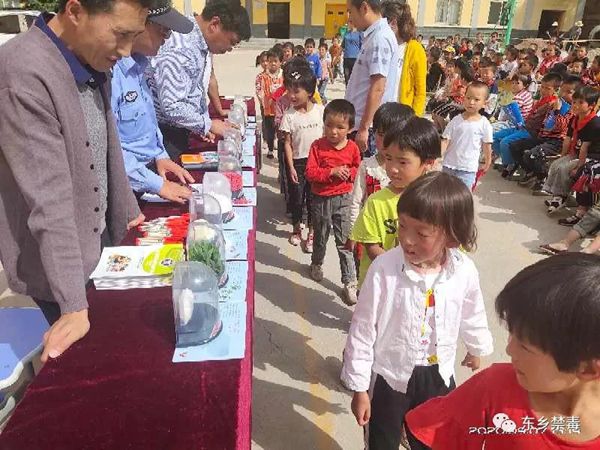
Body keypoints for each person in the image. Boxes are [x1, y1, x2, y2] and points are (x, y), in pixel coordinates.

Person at [0, 0, 149, 362]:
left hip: (98, 242)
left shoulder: (90, 57)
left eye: (134, 36)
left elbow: (108, 141)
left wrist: (127, 211)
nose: (126, 51)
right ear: (76, 11)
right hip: (59, 265)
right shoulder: (23, 72)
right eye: (121, 34)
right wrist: (72, 304)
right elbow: (48, 198)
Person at [343, 171, 494, 450]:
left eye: (421, 233)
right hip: (389, 375)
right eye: (402, 226)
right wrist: (360, 388)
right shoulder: (384, 270)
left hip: (439, 375)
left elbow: (472, 311)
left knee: (433, 440)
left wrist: (476, 347)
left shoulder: (463, 271)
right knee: (381, 441)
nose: (407, 239)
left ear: (452, 237)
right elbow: (362, 330)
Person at [111, 2, 195, 205]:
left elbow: (147, 122)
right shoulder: (111, 72)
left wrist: (160, 155)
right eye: (163, 31)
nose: (166, 39)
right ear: (139, 23)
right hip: (126, 186)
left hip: (146, 175)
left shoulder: (140, 65)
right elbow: (109, 146)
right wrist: (157, 184)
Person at [147, 0, 251, 159]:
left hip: (179, 129)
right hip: (164, 135)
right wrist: (208, 124)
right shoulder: (181, 47)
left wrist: (201, 124)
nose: (230, 49)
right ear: (214, 24)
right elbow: (172, 106)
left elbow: (194, 88)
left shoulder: (196, 39)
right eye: (231, 42)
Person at [350, 117, 440, 288]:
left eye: (403, 162)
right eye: (389, 158)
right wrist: (406, 269)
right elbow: (372, 247)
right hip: (380, 285)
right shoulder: (376, 202)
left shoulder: (437, 203)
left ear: (428, 162)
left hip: (419, 286)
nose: (392, 168)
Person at [348, 103, 414, 282]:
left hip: (399, 236)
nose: (385, 141)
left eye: (393, 136)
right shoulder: (367, 167)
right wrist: (353, 232)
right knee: (372, 277)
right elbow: (356, 201)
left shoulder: (412, 172)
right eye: (381, 134)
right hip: (371, 234)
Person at [305, 100, 361, 304]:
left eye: (340, 127)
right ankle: (316, 263)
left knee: (344, 241)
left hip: (343, 199)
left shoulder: (353, 148)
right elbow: (310, 173)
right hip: (321, 199)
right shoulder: (317, 146)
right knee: (320, 236)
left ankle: (349, 281)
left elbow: (358, 169)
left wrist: (349, 174)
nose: (333, 131)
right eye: (329, 125)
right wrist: (331, 172)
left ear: (350, 128)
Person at [346, 0, 400, 156]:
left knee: (366, 170)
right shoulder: (373, 36)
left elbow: (378, 87)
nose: (349, 18)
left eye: (351, 11)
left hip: (368, 128)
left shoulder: (380, 39)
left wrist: (364, 128)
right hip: (361, 123)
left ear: (364, 7)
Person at [537, 85, 600, 216]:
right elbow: (568, 139)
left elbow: (585, 148)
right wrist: (563, 155)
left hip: (589, 157)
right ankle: (556, 195)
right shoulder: (575, 118)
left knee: (564, 169)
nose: (575, 105)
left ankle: (562, 197)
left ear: (591, 105)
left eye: (580, 103)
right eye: (574, 102)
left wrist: (579, 167)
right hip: (575, 152)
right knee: (556, 165)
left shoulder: (593, 123)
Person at [281, 65, 324, 252]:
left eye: (296, 91)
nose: (292, 95)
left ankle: (312, 233)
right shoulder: (289, 116)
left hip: (316, 163)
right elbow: (287, 144)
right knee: (297, 198)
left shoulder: (321, 111)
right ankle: (297, 229)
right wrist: (290, 167)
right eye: (289, 90)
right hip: (297, 163)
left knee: (313, 201)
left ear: (310, 91)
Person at [492, 73, 563, 173]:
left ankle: (511, 164)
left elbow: (543, 120)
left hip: (532, 131)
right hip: (523, 126)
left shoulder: (552, 103)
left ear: (556, 90)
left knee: (505, 142)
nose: (543, 90)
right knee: (494, 137)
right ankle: (506, 159)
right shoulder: (542, 99)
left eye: (547, 88)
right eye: (542, 87)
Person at [441, 81, 493, 190]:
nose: (471, 102)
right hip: (449, 165)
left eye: (476, 99)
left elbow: (486, 145)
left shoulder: (484, 124)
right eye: (468, 98)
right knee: (445, 194)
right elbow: (445, 140)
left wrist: (488, 161)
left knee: (464, 195)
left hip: (468, 170)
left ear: (484, 103)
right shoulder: (455, 120)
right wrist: (438, 156)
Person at [381, 1, 427, 116]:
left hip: (402, 115)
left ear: (393, 23)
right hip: (381, 112)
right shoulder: (383, 45)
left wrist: (415, 118)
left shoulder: (415, 49)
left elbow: (420, 92)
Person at [257, 48, 284, 160]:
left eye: (275, 61)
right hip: (268, 109)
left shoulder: (284, 76)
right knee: (270, 130)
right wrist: (264, 102)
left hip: (282, 110)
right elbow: (259, 90)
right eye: (270, 61)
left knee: (281, 130)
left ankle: (281, 150)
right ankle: (270, 149)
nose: (273, 63)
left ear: (280, 62)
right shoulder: (262, 77)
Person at [342, 20, 362, 84]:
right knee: (346, 76)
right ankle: (347, 88)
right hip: (346, 58)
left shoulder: (359, 33)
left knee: (354, 76)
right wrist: (336, 58)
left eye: (348, 23)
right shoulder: (346, 33)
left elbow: (362, 46)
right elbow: (342, 46)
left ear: (352, 23)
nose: (347, 25)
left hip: (355, 58)